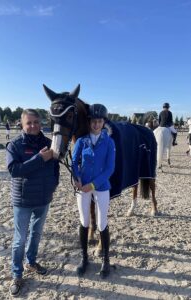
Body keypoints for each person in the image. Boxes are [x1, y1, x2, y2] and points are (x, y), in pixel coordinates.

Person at [6, 109, 59, 296]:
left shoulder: (49, 143)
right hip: (23, 201)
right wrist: (39, 158)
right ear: (22, 124)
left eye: (36, 122)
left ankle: (31, 262)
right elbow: (14, 170)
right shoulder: (15, 145)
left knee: (36, 234)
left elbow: (55, 168)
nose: (33, 125)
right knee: (19, 240)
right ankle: (17, 274)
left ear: (41, 122)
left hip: (43, 199)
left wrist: (53, 186)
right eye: (29, 122)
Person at [72, 104, 116, 279]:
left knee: (102, 223)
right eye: (94, 121)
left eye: (99, 121)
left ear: (103, 122)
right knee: (84, 222)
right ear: (89, 122)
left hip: (101, 186)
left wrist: (93, 185)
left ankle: (106, 259)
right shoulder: (82, 141)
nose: (96, 124)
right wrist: (77, 178)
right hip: (82, 186)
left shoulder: (109, 142)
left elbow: (110, 168)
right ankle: (84, 258)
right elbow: (74, 161)